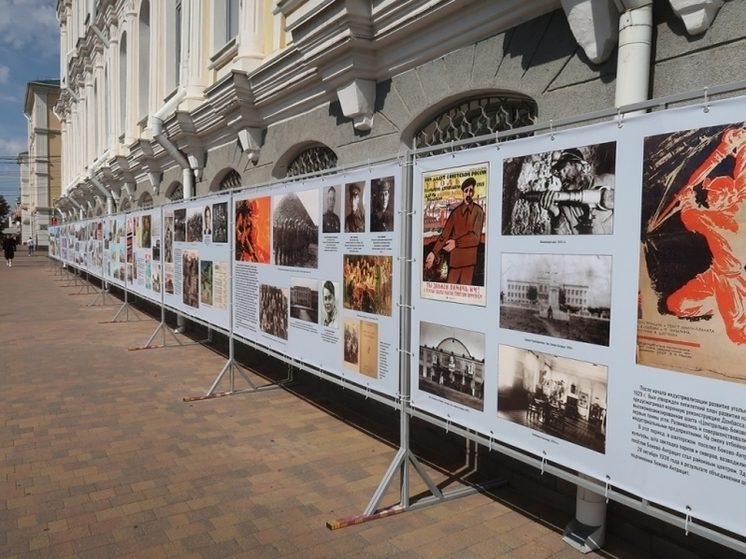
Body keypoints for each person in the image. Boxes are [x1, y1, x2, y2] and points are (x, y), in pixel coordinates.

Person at [653, 127, 746, 344]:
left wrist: (687, 199)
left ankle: (730, 308)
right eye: (711, 192)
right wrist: (740, 146)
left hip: (731, 279)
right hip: (716, 275)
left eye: (716, 194)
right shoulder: (738, 197)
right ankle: (719, 304)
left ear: (729, 197)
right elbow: (743, 174)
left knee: (736, 333)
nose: (711, 196)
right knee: (675, 305)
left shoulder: (713, 218)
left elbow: (689, 216)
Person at [537, 148, 614, 234]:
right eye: (558, 173)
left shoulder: (609, 181)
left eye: (564, 169)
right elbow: (564, 240)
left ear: (580, 166)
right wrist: (556, 213)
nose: (561, 176)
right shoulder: (567, 209)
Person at [424, 176, 485, 285]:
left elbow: (475, 238)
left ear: (474, 192)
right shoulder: (455, 213)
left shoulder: (478, 211)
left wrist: (456, 243)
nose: (469, 193)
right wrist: (434, 252)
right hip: (454, 262)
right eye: (466, 191)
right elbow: (444, 235)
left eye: (471, 190)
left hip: (468, 262)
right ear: (463, 193)